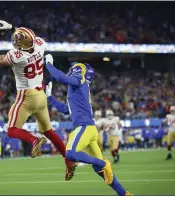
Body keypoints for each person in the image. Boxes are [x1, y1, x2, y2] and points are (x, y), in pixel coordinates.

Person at [0, 19, 75, 179]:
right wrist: (14, 28)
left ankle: (34, 140)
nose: (14, 42)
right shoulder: (40, 44)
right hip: (41, 96)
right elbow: (30, 37)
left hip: (26, 97)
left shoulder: (16, 56)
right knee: (49, 132)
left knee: (12, 130)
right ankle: (68, 160)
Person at [44, 54, 131, 195]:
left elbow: (61, 78)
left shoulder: (79, 79)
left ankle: (104, 163)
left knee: (71, 154)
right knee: (99, 170)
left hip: (83, 127)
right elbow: (66, 110)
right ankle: (124, 194)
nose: (72, 70)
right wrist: (50, 97)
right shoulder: (78, 90)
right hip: (89, 129)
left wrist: (48, 64)